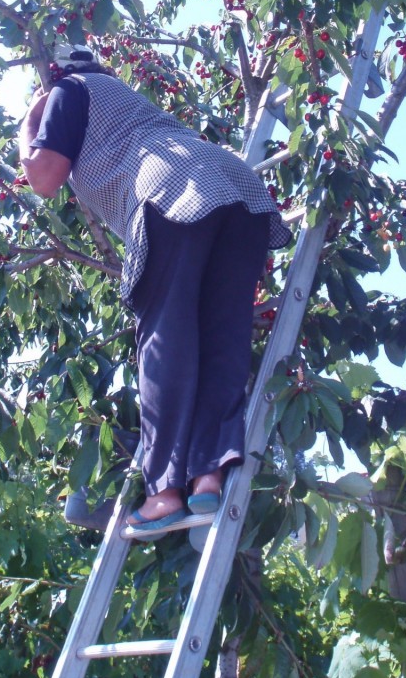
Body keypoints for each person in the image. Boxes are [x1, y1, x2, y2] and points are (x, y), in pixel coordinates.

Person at [19, 46, 291, 539]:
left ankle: (165, 493)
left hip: (173, 189)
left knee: (165, 337)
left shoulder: (68, 92)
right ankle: (207, 479)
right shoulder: (124, 98)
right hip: (238, 188)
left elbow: (43, 179)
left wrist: (30, 124)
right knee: (220, 335)